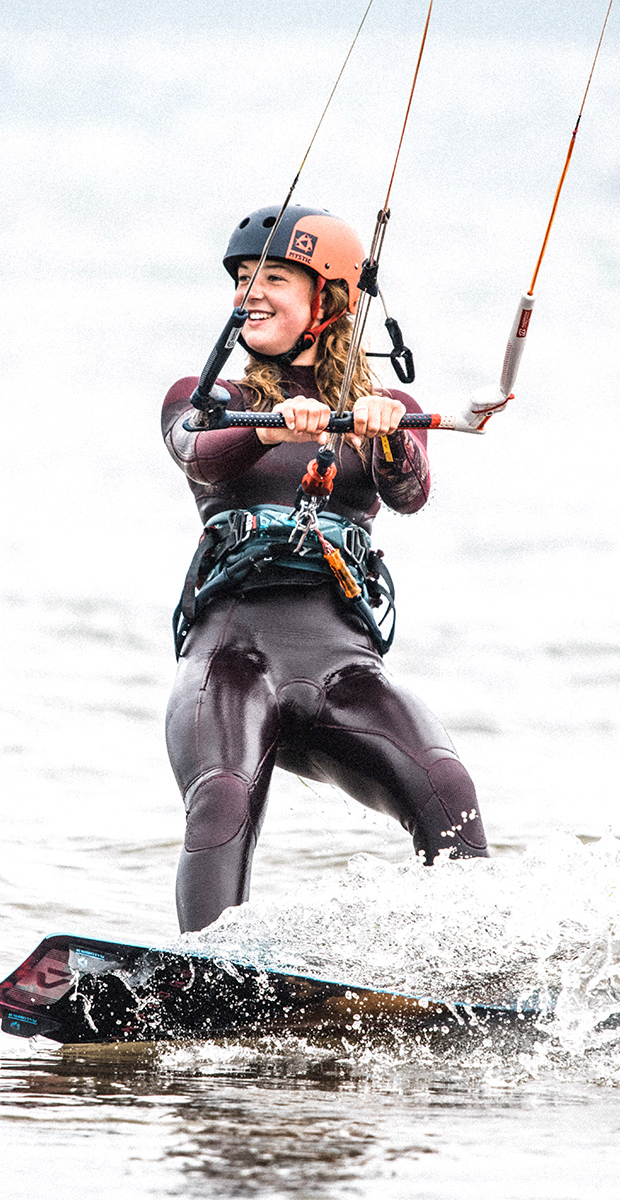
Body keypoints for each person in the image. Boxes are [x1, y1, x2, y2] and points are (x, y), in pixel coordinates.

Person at [160, 204, 489, 934]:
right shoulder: (210, 398)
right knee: (222, 794)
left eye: (273, 276)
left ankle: (473, 968)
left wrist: (386, 438)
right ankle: (207, 970)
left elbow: (410, 492)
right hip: (231, 663)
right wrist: (269, 426)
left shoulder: (385, 406)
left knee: (447, 783)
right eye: (244, 277)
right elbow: (197, 451)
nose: (251, 291)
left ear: (329, 301)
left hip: (345, 668)